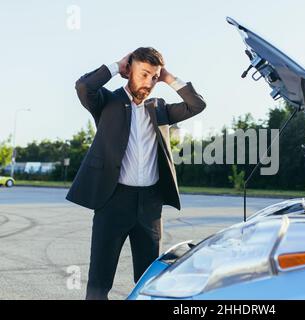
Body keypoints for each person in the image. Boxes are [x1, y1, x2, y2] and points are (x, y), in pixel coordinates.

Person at [66, 47, 206, 300]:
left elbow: (196, 105)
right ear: (129, 71)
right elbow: (84, 87)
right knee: (99, 281)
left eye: (154, 77)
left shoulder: (159, 107)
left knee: (149, 283)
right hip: (113, 201)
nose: (149, 82)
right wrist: (115, 66)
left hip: (150, 207)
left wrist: (169, 78)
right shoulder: (107, 102)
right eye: (144, 74)